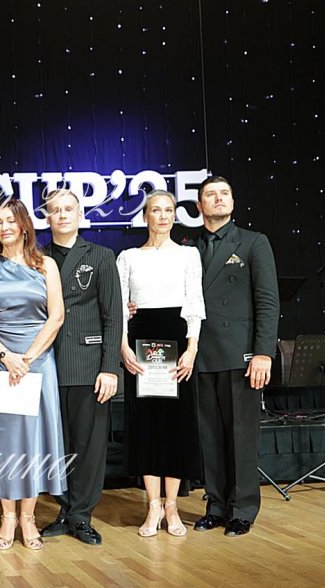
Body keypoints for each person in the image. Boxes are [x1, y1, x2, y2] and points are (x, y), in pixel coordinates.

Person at [0, 199, 66, 550]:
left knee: (32, 440)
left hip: (36, 362)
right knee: (2, 442)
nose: (4, 226)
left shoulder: (46, 265)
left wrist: (27, 358)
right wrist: (7, 357)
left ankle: (28, 517)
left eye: (10, 220)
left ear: (24, 226)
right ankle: (7, 517)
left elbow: (56, 317)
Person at [189, 176, 279, 537]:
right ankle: (215, 505)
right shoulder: (189, 249)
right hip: (200, 355)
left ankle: (242, 509)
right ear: (199, 206)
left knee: (241, 437)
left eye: (224, 193)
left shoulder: (254, 242)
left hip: (240, 355)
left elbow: (267, 302)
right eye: (211, 194)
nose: (219, 198)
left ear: (233, 201)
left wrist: (263, 353)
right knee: (209, 437)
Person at [117, 190, 205, 538]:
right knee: (147, 426)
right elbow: (120, 306)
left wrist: (192, 348)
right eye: (156, 210)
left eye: (169, 210)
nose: (164, 216)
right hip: (140, 345)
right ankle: (153, 505)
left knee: (175, 426)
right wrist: (123, 346)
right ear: (146, 216)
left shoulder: (188, 255)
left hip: (177, 343)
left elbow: (194, 303)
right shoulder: (128, 257)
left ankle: (172, 506)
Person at [40, 190, 122, 547]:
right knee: (56, 444)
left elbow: (113, 316)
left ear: (80, 214)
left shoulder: (101, 256)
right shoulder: (37, 257)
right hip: (47, 364)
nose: (62, 215)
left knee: (88, 446)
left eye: (68, 209)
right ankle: (64, 509)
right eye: (55, 210)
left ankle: (81, 515)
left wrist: (110, 368)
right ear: (47, 217)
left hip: (88, 365)